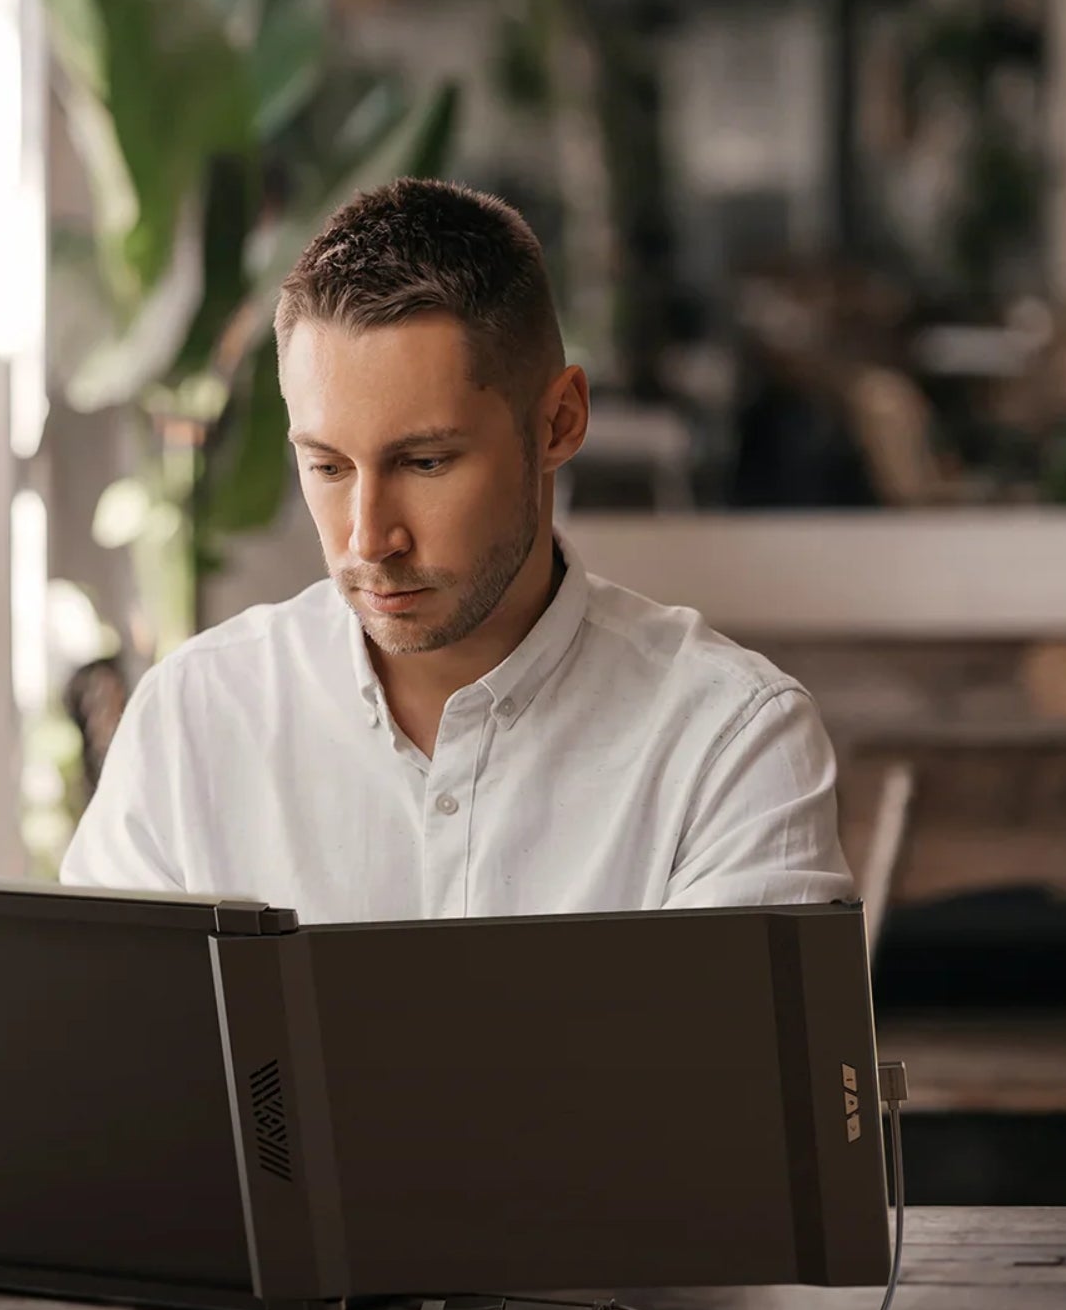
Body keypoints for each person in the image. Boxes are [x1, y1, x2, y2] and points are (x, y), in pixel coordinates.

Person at [61, 179, 853, 922]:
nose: (370, 538)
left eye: (425, 462)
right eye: (328, 467)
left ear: (559, 423)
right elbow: (101, 1023)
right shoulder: (193, 721)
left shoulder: (727, 743)